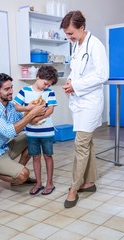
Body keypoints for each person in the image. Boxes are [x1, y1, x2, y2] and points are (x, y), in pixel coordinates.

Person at [60, 10, 109, 208]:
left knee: (80, 144)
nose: (69, 37)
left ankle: (74, 188)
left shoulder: (95, 45)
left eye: (71, 33)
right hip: (78, 101)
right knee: (87, 144)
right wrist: (70, 81)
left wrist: (77, 86)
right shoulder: (76, 46)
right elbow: (75, 69)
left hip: (90, 102)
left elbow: (102, 75)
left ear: (82, 28)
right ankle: (89, 183)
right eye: (67, 34)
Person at [0, 73, 46, 193]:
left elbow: (22, 119)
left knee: (33, 137)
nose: (11, 91)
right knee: (23, 175)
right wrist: (32, 113)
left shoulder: (10, 106)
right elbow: (9, 131)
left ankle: (16, 174)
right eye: (6, 89)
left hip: (3, 149)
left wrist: (31, 110)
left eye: (11, 87)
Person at [14, 65, 58, 195]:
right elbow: (17, 107)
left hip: (47, 131)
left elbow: (50, 109)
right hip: (32, 133)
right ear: (38, 76)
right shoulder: (25, 91)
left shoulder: (49, 92)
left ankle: (49, 183)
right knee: (35, 157)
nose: (46, 87)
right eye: (45, 83)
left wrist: (35, 119)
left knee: (48, 156)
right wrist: (29, 109)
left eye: (49, 85)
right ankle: (38, 183)